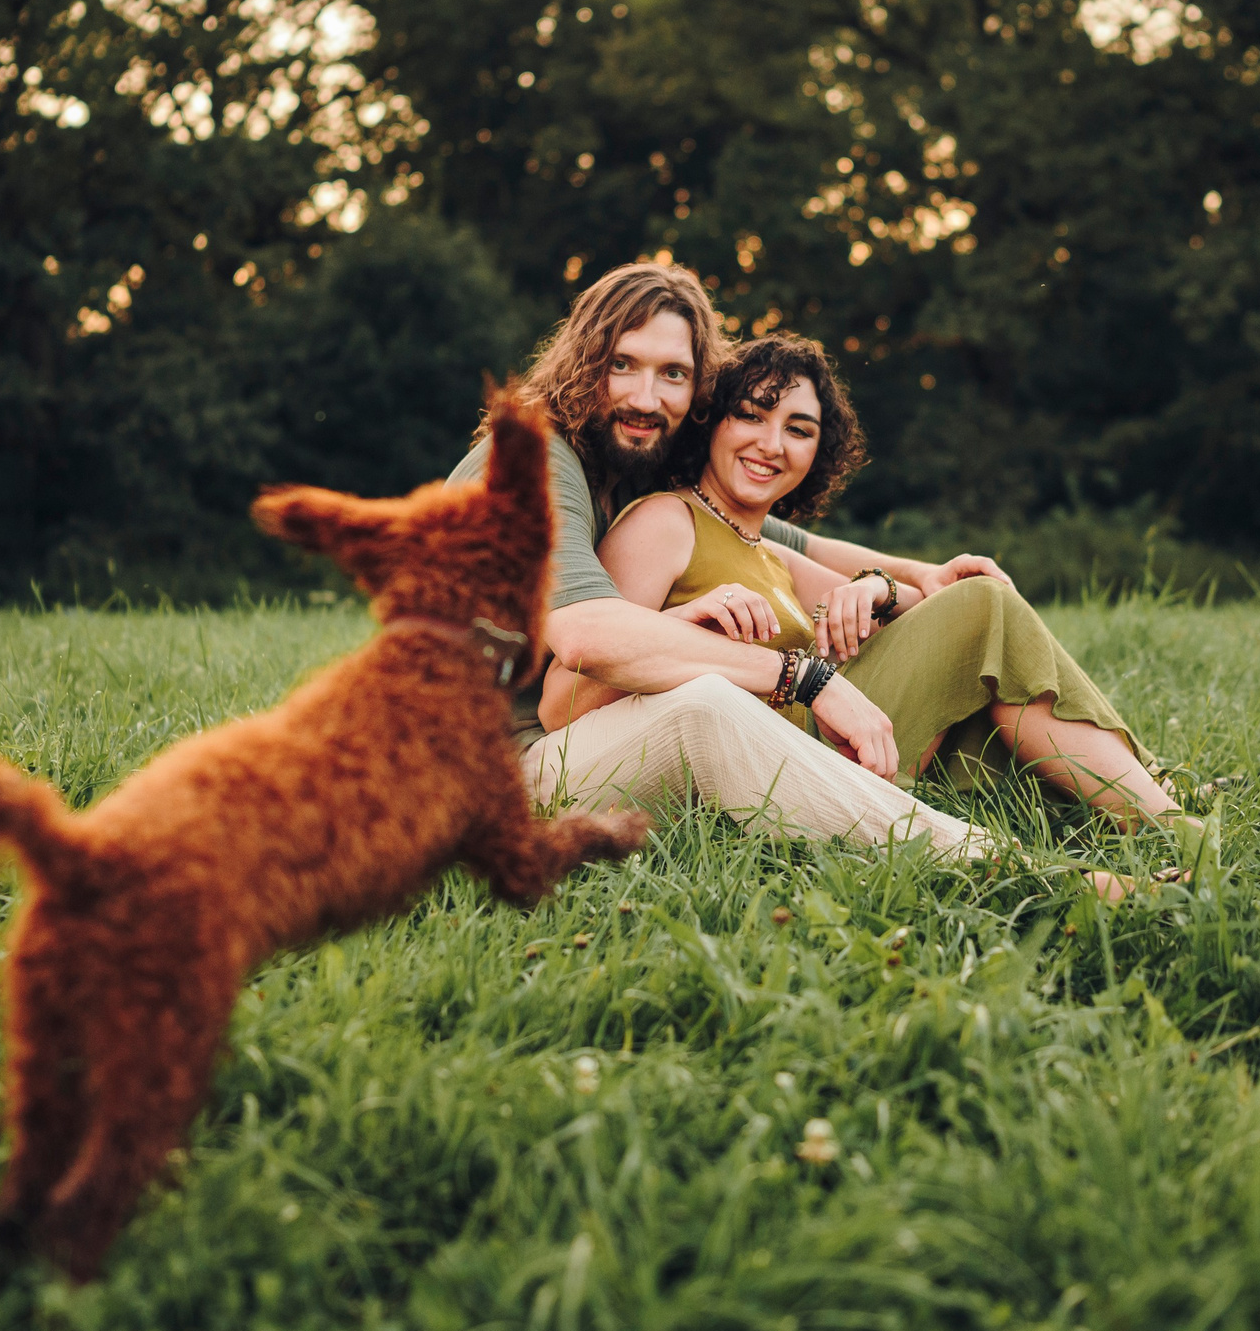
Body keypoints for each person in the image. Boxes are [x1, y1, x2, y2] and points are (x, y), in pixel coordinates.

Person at [443, 262, 1199, 886]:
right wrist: (804, 677)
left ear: (699, 390)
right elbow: (584, 636)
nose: (648, 396)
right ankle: (1031, 878)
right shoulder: (532, 459)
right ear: (583, 362)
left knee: (736, 690)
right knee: (708, 703)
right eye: (623, 365)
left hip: (567, 749)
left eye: (674, 373)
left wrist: (910, 573)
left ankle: (1153, 804)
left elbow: (763, 532)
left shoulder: (620, 461)